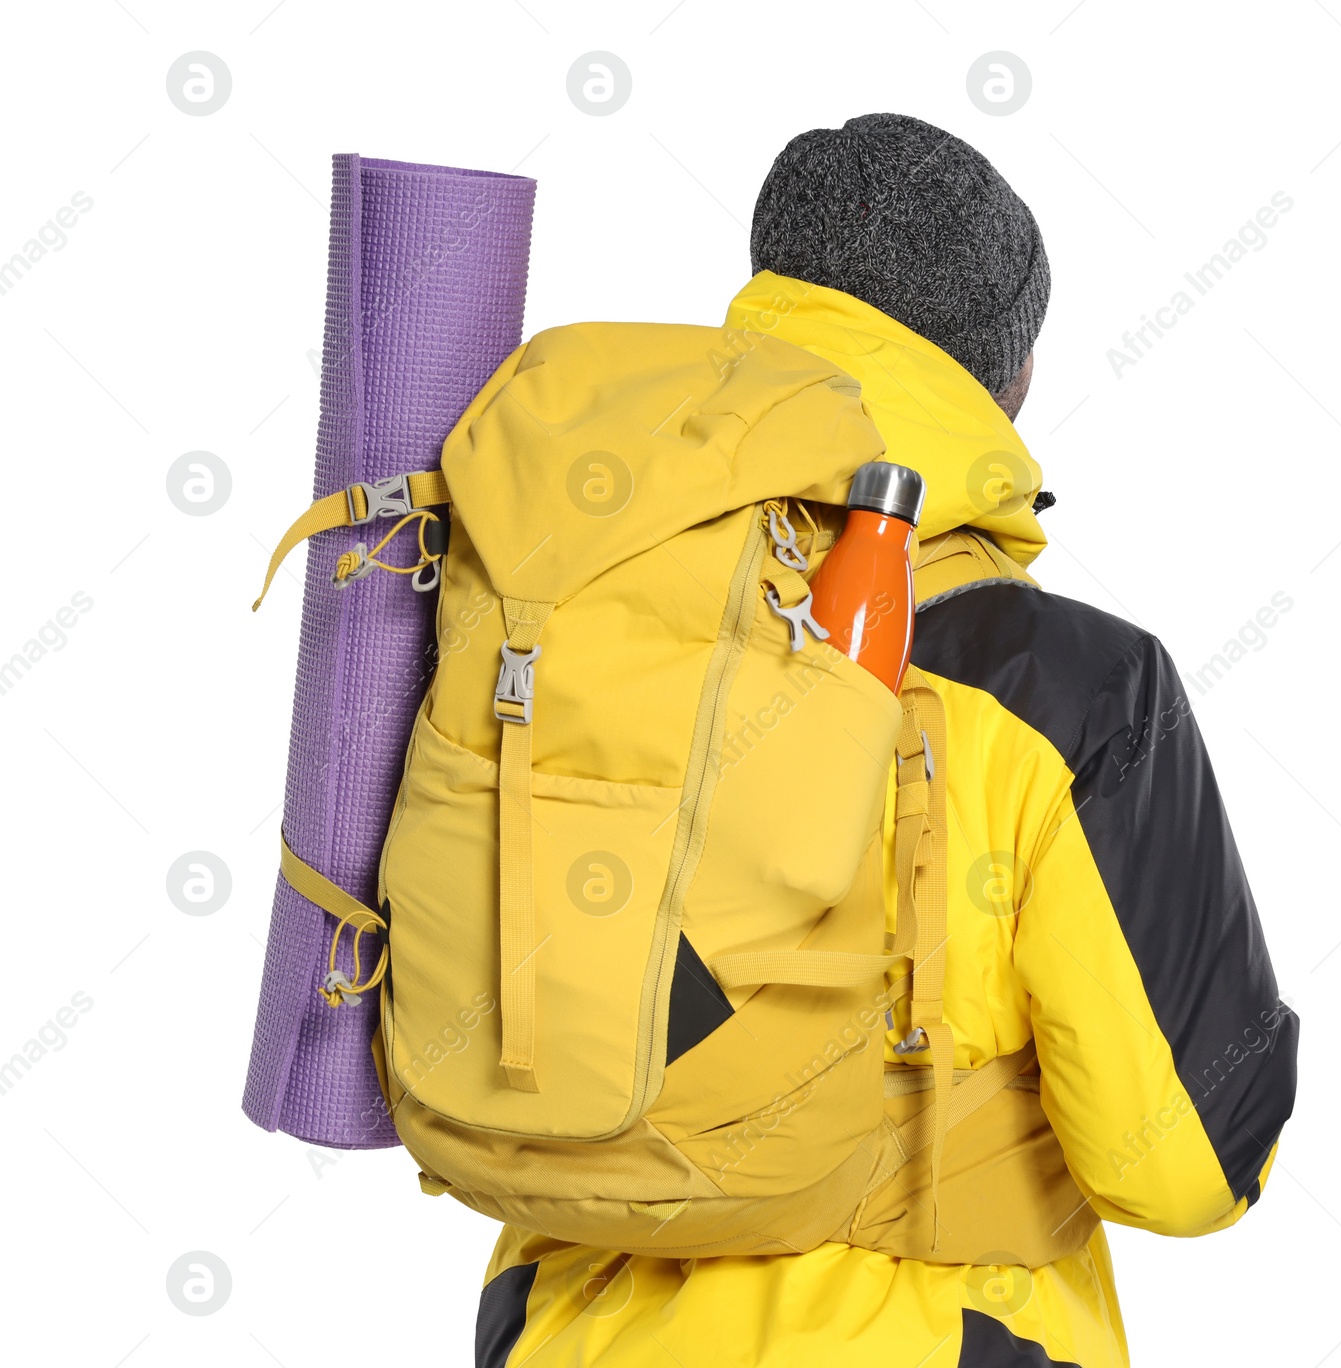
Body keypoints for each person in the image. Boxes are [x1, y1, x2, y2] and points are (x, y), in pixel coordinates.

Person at [475, 112, 1298, 1368]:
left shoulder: (555, 590)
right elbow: (1184, 1169)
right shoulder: (1070, 691)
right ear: (1006, 379)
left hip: (565, 1333)